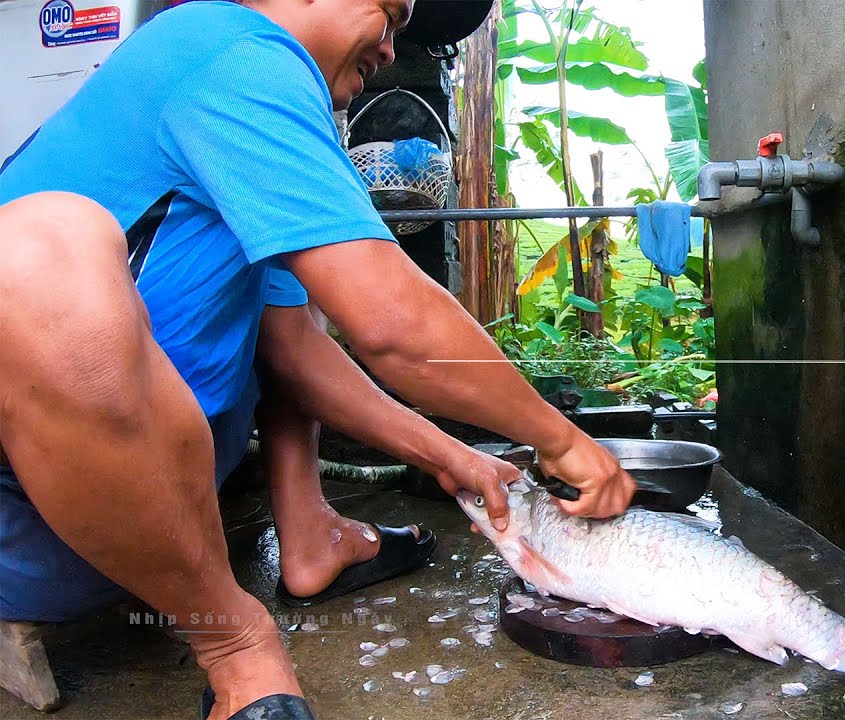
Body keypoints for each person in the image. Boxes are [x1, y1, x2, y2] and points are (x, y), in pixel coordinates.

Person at [0, 0, 636, 718]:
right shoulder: (223, 46)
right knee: (37, 251)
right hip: (29, 526)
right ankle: (235, 644)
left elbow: (295, 351)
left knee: (293, 298)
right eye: (391, 15)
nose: (391, 49)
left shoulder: (266, 111)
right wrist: (562, 439)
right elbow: (391, 322)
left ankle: (312, 534)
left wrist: (455, 457)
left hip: (154, 524)